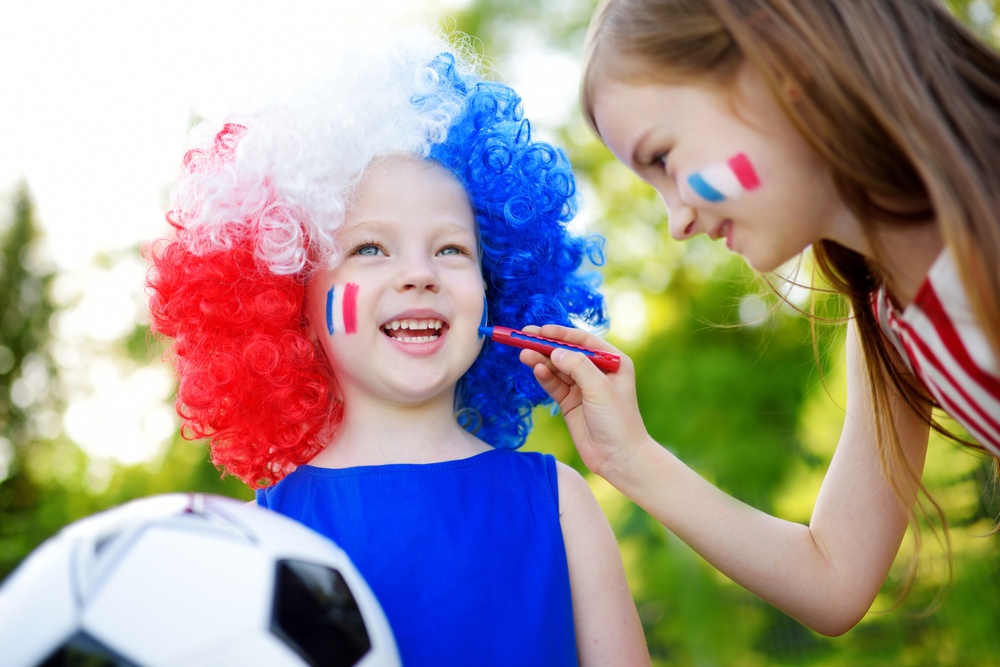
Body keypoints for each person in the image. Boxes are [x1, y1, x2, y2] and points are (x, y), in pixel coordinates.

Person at [145, 27, 649, 667]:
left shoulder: (558, 501)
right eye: (370, 248)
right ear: (289, 297)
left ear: (496, 294)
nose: (420, 274)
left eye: (451, 249)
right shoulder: (259, 537)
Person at [519, 0, 1000, 638]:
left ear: (781, 66)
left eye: (663, 158)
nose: (677, 220)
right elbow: (834, 580)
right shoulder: (889, 328)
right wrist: (629, 458)